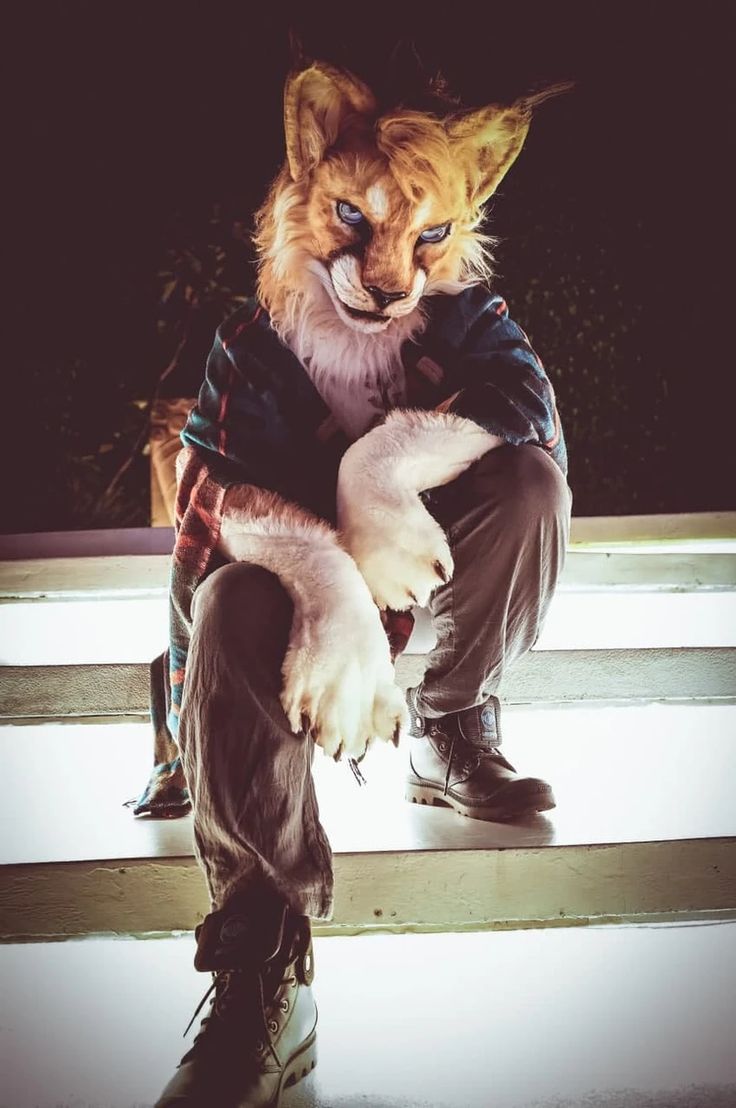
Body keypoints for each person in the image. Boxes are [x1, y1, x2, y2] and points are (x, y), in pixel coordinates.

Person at [149, 60, 572, 1108]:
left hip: (408, 604)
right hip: (264, 629)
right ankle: (262, 964)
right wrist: (327, 572)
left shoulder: (463, 314)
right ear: (305, 182)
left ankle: (449, 720)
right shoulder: (251, 342)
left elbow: (530, 406)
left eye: (424, 236)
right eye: (355, 219)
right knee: (229, 600)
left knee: (528, 480)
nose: (388, 271)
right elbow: (212, 507)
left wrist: (376, 468)